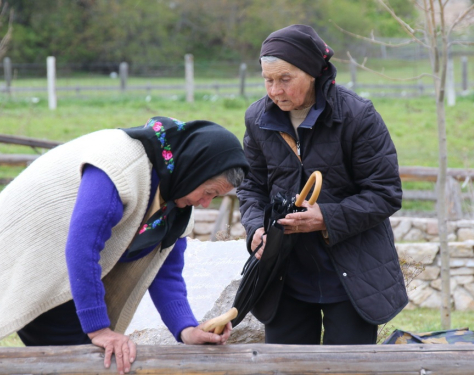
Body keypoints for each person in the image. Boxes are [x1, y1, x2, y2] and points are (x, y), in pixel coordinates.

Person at [0, 116, 249, 374]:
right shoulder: (121, 167)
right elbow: (82, 247)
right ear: (196, 169)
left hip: (67, 268)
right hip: (30, 251)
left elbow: (165, 270)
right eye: (208, 192)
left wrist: (186, 328)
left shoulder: (179, 200)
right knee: (79, 359)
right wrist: (99, 329)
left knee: (85, 360)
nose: (206, 203)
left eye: (215, 197)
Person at [237, 25, 408, 345]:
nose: (274, 91)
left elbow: (386, 192)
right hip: (284, 271)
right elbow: (251, 187)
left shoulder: (357, 116)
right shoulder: (257, 118)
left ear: (314, 72)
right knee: (284, 369)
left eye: (285, 79)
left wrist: (325, 218)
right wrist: (254, 230)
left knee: (348, 369)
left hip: (350, 273)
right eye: (268, 80)